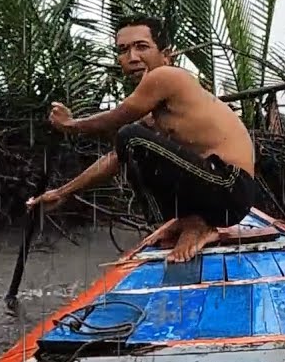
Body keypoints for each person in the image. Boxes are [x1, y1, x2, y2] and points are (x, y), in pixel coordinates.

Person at [26, 15, 258, 263]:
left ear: (166, 55)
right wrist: (62, 192)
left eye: (142, 47)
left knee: (129, 136)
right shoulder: (157, 112)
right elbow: (117, 157)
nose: (132, 57)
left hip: (231, 186)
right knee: (130, 142)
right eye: (123, 50)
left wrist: (69, 125)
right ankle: (187, 221)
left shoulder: (168, 76)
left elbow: (117, 118)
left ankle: (194, 224)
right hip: (222, 194)